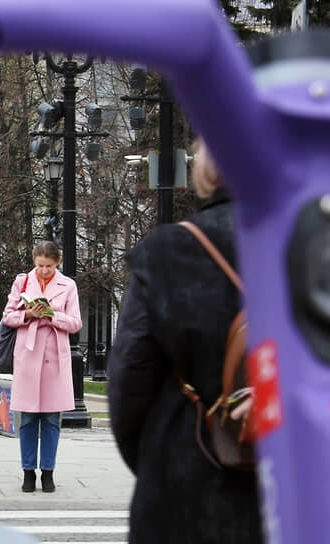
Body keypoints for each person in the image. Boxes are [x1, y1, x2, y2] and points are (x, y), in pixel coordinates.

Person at [107, 140, 262, 543]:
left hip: (189, 476)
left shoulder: (169, 252)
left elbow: (130, 378)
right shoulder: (327, 246)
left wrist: (156, 460)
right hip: (305, 487)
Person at [1, 241, 82, 493]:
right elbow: (8, 316)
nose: (44, 270)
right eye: (39, 265)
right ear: (34, 260)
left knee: (51, 419)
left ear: (57, 262)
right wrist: (28, 315)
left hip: (55, 356)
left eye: (48, 266)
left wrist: (51, 316)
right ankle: (27, 472)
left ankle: (48, 472)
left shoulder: (68, 285)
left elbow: (75, 322)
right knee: (27, 419)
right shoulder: (22, 281)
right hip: (28, 354)